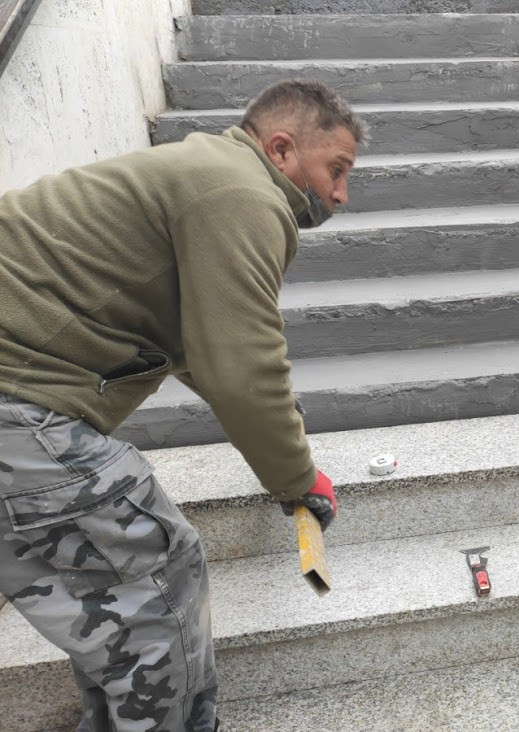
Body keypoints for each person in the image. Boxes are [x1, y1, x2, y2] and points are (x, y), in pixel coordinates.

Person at [0, 79, 364, 731]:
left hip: (19, 394)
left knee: (124, 590)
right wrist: (297, 478)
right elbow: (241, 365)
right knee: (157, 590)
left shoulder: (207, 172)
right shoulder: (243, 192)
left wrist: (286, 462)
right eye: (336, 170)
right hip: (19, 400)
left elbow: (204, 352)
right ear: (281, 149)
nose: (341, 194)